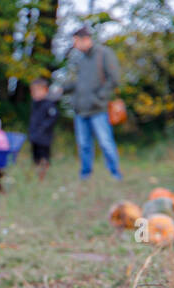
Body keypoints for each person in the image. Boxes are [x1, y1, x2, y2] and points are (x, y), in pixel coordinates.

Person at [49, 25, 121, 180]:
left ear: (85, 40)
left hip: (98, 109)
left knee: (105, 143)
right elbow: (79, 84)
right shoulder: (81, 60)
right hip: (80, 110)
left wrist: (99, 97)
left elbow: (114, 79)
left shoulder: (104, 54)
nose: (74, 45)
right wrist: (62, 90)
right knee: (84, 145)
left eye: (75, 41)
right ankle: (85, 175)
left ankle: (115, 174)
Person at [27, 76, 59, 181]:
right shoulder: (34, 105)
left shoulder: (49, 105)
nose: (34, 93)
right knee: (35, 157)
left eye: (37, 91)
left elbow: (52, 118)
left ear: (45, 91)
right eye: (33, 91)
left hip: (44, 138)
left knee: (44, 157)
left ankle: (44, 175)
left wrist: (42, 129)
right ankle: (37, 175)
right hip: (34, 137)